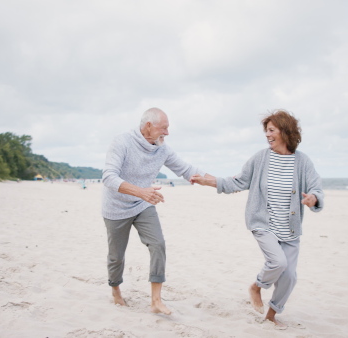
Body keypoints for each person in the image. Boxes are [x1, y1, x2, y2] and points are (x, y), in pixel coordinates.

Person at [190, 110, 324, 327]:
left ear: (285, 131)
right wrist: (209, 182)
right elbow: (239, 181)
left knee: (289, 276)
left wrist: (313, 199)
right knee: (277, 262)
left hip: (290, 229)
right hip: (264, 223)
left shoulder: (302, 162)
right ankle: (256, 286)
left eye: (271, 130)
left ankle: (271, 315)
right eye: (266, 131)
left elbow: (316, 188)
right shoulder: (260, 158)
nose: (267, 135)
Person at [101, 107, 209, 315]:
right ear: (148, 126)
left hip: (143, 204)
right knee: (116, 256)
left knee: (158, 244)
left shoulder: (162, 149)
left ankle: (156, 301)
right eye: (164, 128)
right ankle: (115, 290)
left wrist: (223, 182)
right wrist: (141, 192)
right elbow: (108, 177)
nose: (167, 133)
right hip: (116, 207)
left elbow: (187, 170)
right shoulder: (121, 142)